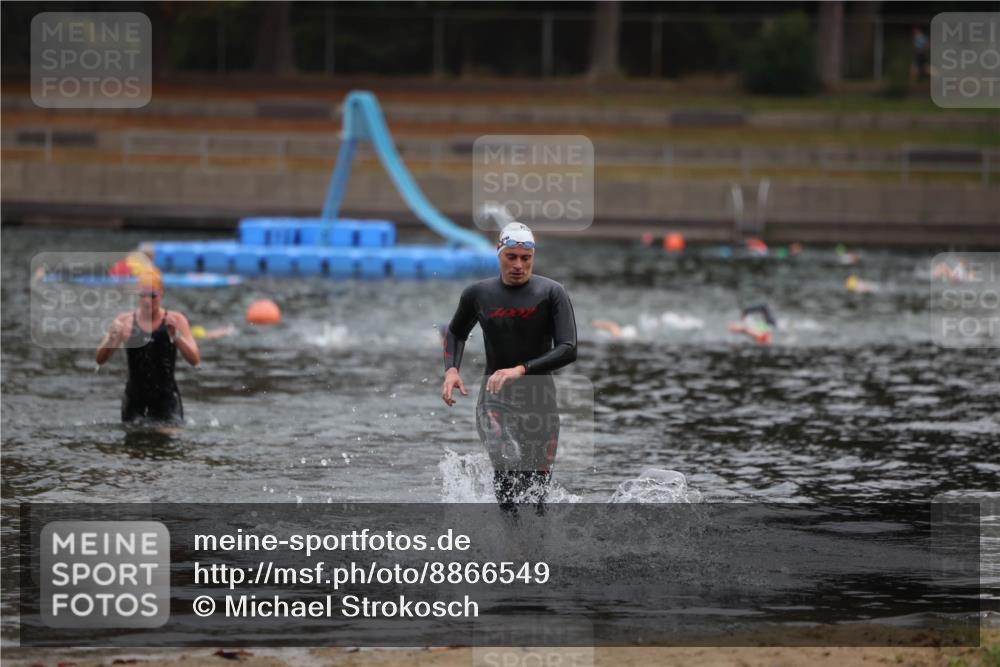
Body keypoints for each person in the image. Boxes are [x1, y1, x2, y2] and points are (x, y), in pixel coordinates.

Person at [441, 222, 577, 515]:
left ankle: (535, 549)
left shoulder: (552, 292)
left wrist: (521, 369)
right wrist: (452, 370)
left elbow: (569, 348)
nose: (518, 265)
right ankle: (509, 543)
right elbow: (456, 333)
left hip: (540, 398)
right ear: (498, 254)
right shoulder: (478, 293)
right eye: (511, 257)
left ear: (533, 257)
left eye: (525, 258)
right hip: (495, 394)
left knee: (536, 490)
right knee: (505, 459)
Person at [96, 271, 199, 423]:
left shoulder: (176, 320)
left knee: (168, 443)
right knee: (135, 443)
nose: (147, 301)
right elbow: (100, 360)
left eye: (152, 295)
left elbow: (194, 360)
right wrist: (111, 338)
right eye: (142, 295)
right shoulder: (125, 321)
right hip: (134, 400)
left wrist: (176, 336)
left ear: (161, 293)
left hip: (167, 399)